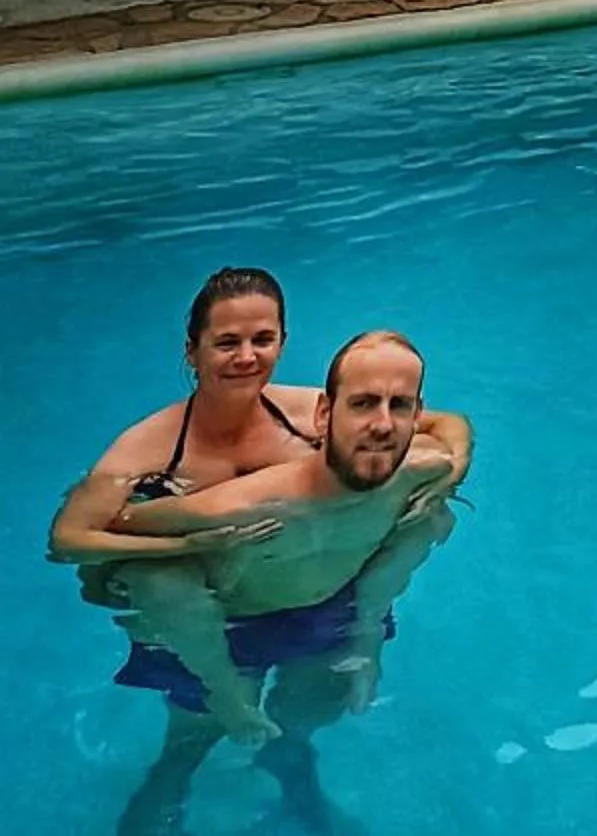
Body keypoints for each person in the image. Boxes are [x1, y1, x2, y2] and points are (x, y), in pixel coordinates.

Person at [49, 266, 472, 745]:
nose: (247, 357)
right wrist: (185, 545)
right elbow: (70, 539)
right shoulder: (146, 449)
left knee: (432, 516)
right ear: (192, 350)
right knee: (187, 716)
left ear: (282, 343)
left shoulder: (307, 410)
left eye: (263, 340)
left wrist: (452, 470)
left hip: (302, 574)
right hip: (214, 602)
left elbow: (447, 424)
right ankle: (217, 703)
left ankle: (299, 752)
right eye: (228, 342)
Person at [101, 330, 462, 834]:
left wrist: (367, 638)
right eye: (363, 404)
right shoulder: (250, 502)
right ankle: (172, 776)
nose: (383, 424)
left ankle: (290, 763)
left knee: (433, 518)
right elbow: (115, 525)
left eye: (399, 406)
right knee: (193, 738)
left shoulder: (424, 471)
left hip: (329, 608)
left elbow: (455, 435)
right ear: (324, 415)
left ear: (416, 415)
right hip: (229, 626)